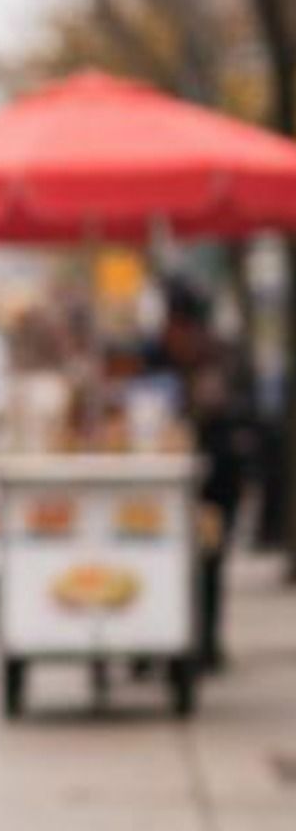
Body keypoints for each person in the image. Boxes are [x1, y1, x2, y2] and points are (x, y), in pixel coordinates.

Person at [145, 279, 259, 674]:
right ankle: (160, 643)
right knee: (162, 558)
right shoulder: (160, 353)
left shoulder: (215, 356)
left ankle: (204, 642)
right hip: (170, 480)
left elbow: (230, 411)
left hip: (215, 478)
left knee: (208, 561)